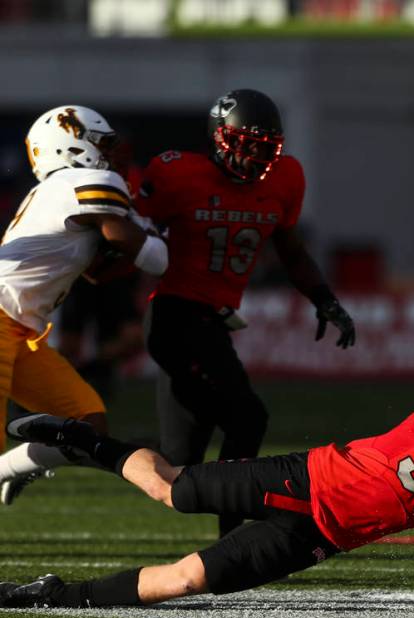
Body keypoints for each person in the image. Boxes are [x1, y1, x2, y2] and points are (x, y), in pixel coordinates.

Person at [0, 319, 414, 614]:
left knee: (183, 582)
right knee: (174, 491)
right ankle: (82, 440)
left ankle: (52, 597)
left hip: (325, 536)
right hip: (309, 479)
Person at [135, 89, 356, 536]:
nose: (256, 158)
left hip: (212, 321)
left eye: (265, 147)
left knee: (177, 463)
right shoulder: (177, 173)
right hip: (174, 316)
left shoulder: (285, 178)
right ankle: (234, 529)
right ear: (220, 137)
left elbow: (291, 251)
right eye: (247, 144)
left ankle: (72, 448)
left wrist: (324, 298)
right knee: (247, 416)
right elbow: (128, 235)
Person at [0, 105, 168, 505]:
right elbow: (152, 257)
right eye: (101, 143)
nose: (110, 154)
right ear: (69, 147)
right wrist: (162, 239)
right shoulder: (85, 179)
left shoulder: (58, 190)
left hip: (21, 331)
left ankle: (7, 469)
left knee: (88, 422)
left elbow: (96, 272)